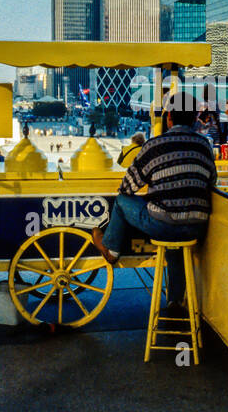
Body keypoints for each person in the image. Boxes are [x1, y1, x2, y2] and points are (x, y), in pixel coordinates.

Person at [90, 95, 216, 313]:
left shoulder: (154, 145)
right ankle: (175, 300)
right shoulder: (204, 146)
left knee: (122, 202)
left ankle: (111, 251)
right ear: (195, 119)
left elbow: (127, 188)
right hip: (197, 226)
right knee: (176, 243)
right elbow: (211, 182)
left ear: (169, 118)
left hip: (164, 225)